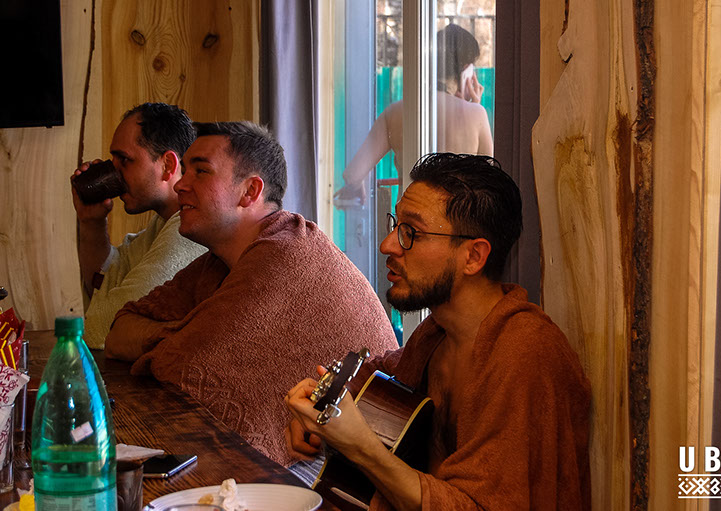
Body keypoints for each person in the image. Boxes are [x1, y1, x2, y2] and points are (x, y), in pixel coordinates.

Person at [286, 153, 591, 510]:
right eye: (396, 225)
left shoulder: (526, 354)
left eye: (411, 233)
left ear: (473, 257)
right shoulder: (437, 334)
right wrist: (325, 404)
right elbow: (380, 375)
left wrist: (361, 446)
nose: (387, 245)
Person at [104, 121, 398, 466]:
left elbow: (184, 365)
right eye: (184, 170)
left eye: (201, 171)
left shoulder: (283, 253)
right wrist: (183, 332)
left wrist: (182, 336)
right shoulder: (218, 261)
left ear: (249, 191)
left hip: (352, 474)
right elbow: (118, 332)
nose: (180, 184)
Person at [73, 102, 207, 349]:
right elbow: (105, 282)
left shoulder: (189, 232)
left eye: (124, 160)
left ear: (167, 165)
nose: (114, 173)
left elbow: (102, 327)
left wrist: (101, 310)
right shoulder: (164, 223)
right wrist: (91, 222)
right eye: (113, 161)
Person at [335, 24, 494, 205]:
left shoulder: (395, 111)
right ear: (466, 70)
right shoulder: (477, 115)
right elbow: (489, 183)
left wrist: (358, 184)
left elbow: (352, 174)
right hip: (455, 220)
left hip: (408, 219)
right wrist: (473, 107)